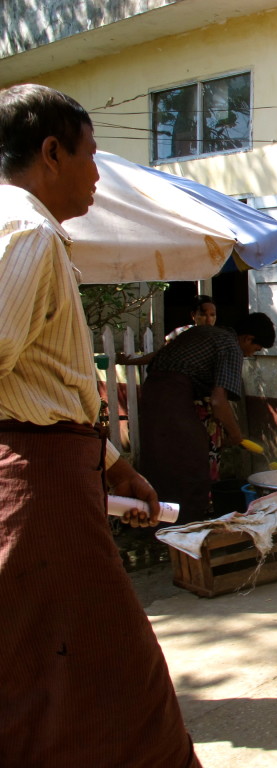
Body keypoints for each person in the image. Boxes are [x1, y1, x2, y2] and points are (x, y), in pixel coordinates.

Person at [0, 84, 202, 767]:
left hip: (53, 474)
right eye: (91, 155)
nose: (96, 173)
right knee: (115, 681)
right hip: (36, 494)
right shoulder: (25, 231)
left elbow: (43, 385)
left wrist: (114, 466)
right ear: (51, 153)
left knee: (50, 679)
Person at [140, 312, 275, 524]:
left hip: (150, 394)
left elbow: (158, 358)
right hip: (173, 397)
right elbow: (218, 401)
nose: (250, 354)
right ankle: (187, 528)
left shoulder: (202, 332)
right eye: (255, 349)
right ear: (247, 338)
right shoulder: (231, 347)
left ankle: (156, 524)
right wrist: (236, 434)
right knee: (193, 466)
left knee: (162, 464)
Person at [117, 293, 217, 366]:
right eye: (203, 315)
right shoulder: (181, 333)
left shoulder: (221, 338)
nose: (208, 319)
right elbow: (159, 355)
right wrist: (129, 362)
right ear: (193, 315)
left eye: (212, 315)